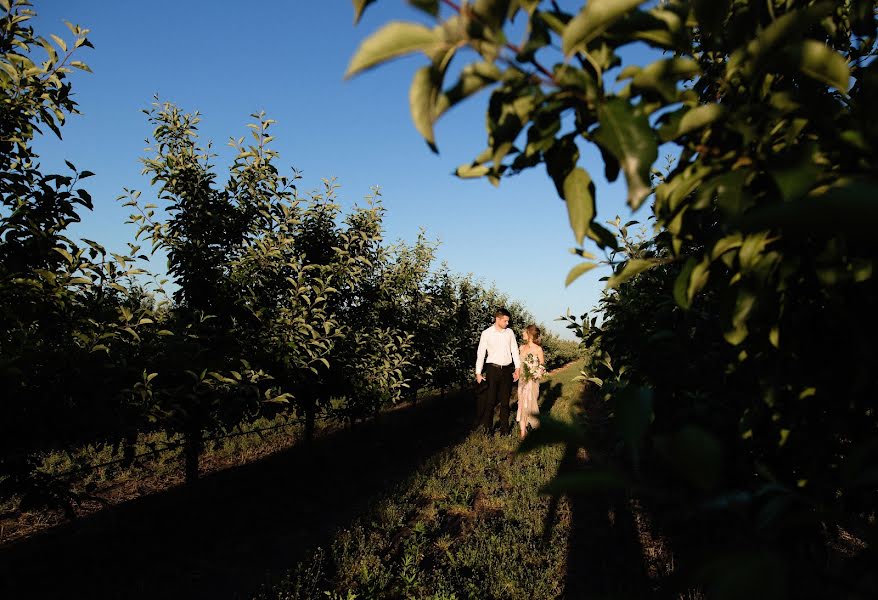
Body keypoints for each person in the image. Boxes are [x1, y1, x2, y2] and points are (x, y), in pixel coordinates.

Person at [475, 307, 521, 434]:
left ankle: (504, 430)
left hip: (507, 370)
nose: (507, 323)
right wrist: (478, 373)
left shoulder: (510, 333)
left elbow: (515, 351)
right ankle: (487, 429)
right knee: (490, 401)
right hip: (492, 370)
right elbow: (481, 354)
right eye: (505, 321)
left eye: (508, 321)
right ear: (498, 319)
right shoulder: (486, 333)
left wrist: (517, 368)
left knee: (505, 401)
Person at [517, 324, 546, 440]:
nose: (522, 334)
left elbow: (542, 365)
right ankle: (523, 432)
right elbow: (518, 364)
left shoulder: (538, 349)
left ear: (529, 334)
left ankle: (536, 427)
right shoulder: (521, 348)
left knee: (531, 403)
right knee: (521, 404)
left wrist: (537, 373)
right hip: (522, 380)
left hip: (533, 381)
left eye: (524, 332)